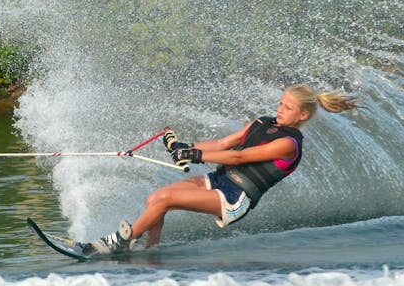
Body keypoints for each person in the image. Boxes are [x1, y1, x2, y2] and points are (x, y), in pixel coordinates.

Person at [88, 84, 360, 255]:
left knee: (164, 200)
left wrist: (194, 155)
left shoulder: (288, 144)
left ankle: (118, 243)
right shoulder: (262, 123)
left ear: (302, 116)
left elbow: (239, 158)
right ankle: (150, 250)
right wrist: (187, 146)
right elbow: (222, 143)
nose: (280, 110)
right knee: (155, 200)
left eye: (288, 108)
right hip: (218, 179)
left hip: (235, 197)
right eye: (280, 103)